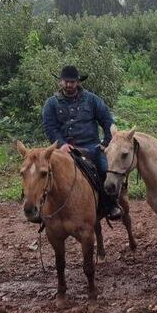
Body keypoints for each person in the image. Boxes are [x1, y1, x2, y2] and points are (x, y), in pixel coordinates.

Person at [41, 66, 121, 220]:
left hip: (92, 146)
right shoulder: (51, 104)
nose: (69, 85)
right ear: (60, 82)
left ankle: (110, 205)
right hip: (65, 148)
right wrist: (61, 144)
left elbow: (107, 121)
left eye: (72, 82)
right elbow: (50, 127)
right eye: (66, 82)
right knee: (44, 173)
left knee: (105, 170)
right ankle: (43, 210)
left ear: (78, 82)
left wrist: (105, 142)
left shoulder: (92, 99)